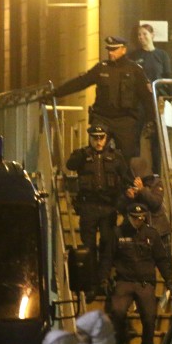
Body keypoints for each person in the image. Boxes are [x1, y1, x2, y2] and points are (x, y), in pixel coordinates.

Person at [52, 35, 156, 160]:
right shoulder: (101, 68)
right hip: (102, 118)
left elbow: (146, 97)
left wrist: (151, 120)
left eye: (114, 50)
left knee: (128, 157)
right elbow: (81, 82)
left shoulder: (135, 70)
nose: (111, 53)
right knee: (96, 155)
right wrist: (56, 92)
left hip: (125, 120)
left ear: (123, 49)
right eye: (109, 50)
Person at [100, 202, 172, 344]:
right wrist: (104, 278)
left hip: (144, 283)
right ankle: (120, 341)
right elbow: (107, 258)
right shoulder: (117, 233)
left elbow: (161, 259)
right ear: (128, 217)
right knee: (117, 312)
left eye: (141, 218)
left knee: (149, 318)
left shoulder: (152, 234)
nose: (138, 220)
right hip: (124, 281)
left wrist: (168, 279)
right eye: (135, 218)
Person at [66, 123, 132, 297]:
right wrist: (81, 154)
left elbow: (126, 178)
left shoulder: (116, 157)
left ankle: (103, 279)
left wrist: (122, 202)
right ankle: (91, 284)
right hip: (88, 206)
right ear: (90, 138)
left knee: (107, 244)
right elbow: (70, 165)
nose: (98, 141)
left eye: (101, 138)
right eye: (95, 138)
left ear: (106, 138)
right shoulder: (83, 155)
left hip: (108, 207)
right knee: (88, 247)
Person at [128, 23, 172, 174]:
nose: (141, 38)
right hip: (139, 102)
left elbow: (167, 77)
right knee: (134, 136)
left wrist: (170, 98)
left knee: (157, 138)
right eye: (139, 35)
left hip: (156, 99)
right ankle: (133, 172)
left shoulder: (161, 55)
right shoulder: (134, 56)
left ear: (152, 35)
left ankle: (157, 173)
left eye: (144, 34)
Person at [118, 156, 171, 252]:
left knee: (163, 258)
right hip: (137, 230)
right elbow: (120, 207)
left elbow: (155, 203)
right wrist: (128, 197)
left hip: (158, 229)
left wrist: (142, 190)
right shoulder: (128, 183)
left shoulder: (156, 183)